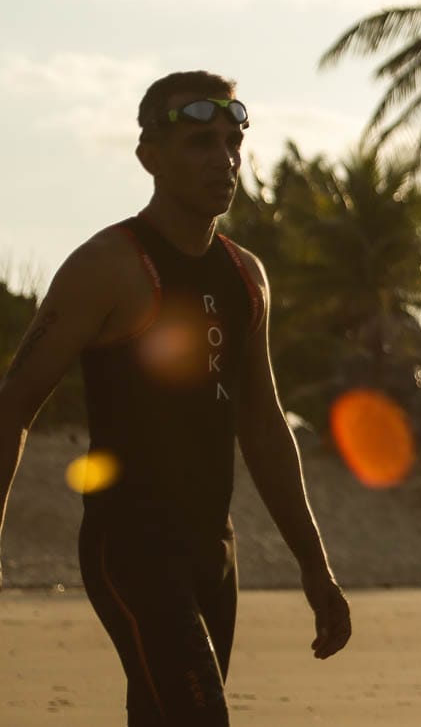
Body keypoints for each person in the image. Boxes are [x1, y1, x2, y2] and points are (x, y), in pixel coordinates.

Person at [0, 71, 351, 725]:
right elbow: (14, 403)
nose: (224, 158)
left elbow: (264, 425)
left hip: (213, 552)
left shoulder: (247, 276)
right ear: (150, 157)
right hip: (129, 545)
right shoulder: (109, 264)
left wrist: (315, 564)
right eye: (199, 142)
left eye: (232, 141)